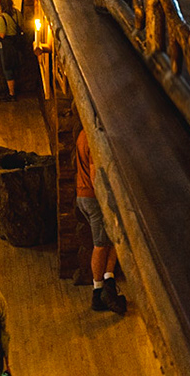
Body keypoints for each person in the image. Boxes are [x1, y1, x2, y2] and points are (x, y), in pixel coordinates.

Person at [75, 129, 127, 313]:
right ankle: (97, 293)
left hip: (83, 195)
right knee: (100, 244)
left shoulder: (82, 134)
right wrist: (108, 201)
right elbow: (94, 176)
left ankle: (108, 281)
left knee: (112, 238)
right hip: (93, 198)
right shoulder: (92, 140)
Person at [0, 0, 29, 100]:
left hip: (7, 45)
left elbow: (2, 34)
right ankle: (16, 89)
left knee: (8, 68)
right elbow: (22, 25)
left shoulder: (2, 17)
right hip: (17, 42)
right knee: (16, 66)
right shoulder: (17, 13)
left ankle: (11, 93)